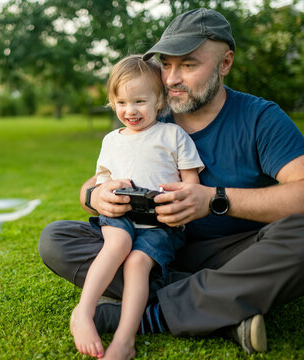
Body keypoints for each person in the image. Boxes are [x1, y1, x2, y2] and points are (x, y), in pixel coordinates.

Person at [39, 7, 304, 357]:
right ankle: (223, 307)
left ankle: (147, 317)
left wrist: (213, 199)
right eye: (166, 64)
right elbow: (92, 185)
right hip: (151, 245)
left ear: (225, 63)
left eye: (189, 65)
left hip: (236, 253)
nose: (171, 78)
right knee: (57, 238)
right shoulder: (151, 110)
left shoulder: (260, 118)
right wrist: (97, 195)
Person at [70, 55, 204, 359]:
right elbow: (101, 181)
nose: (130, 111)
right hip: (122, 214)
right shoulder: (111, 140)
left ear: (160, 100)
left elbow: (192, 184)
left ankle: (125, 339)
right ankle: (84, 311)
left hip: (161, 223)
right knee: (117, 243)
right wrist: (104, 191)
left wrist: (183, 198)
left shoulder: (172, 135)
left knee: (136, 264)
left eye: (140, 102)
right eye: (121, 102)